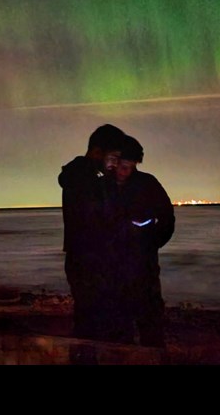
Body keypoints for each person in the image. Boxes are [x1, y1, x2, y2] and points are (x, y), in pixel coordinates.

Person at [58, 123, 128, 343]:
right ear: (97, 152)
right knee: (93, 323)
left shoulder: (91, 176)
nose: (116, 164)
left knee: (96, 321)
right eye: (113, 157)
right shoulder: (83, 175)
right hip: (88, 259)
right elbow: (97, 216)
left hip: (93, 257)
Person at [108, 134, 175, 347]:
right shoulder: (102, 186)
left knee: (150, 319)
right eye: (121, 165)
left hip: (143, 265)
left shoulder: (148, 184)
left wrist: (150, 244)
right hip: (111, 265)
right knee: (118, 322)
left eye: (130, 166)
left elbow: (167, 218)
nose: (124, 171)